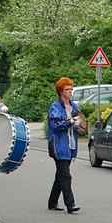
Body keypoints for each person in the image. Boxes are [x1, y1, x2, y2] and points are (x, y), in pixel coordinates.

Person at [47, 77, 81, 214]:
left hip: (71, 144)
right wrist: (70, 122)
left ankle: (52, 202)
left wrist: (80, 125)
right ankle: (70, 204)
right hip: (59, 145)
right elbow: (54, 126)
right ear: (61, 91)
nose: (70, 91)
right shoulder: (55, 107)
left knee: (60, 175)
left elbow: (79, 123)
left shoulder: (74, 106)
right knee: (66, 175)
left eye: (71, 89)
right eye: (67, 89)